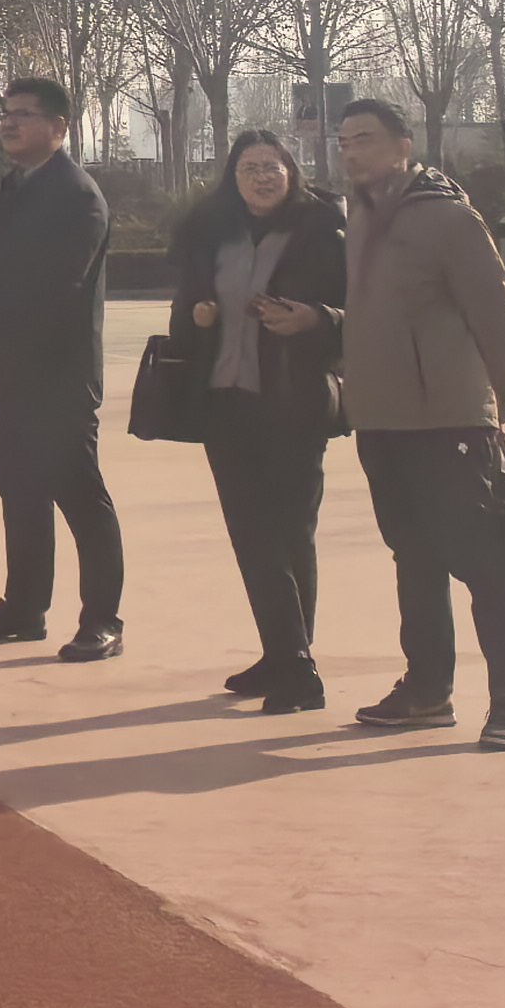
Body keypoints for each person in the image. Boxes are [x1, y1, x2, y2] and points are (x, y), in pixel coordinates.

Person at [332, 100, 505, 752]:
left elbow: (496, 317)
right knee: (413, 558)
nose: (351, 152)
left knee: (481, 562)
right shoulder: (358, 218)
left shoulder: (449, 218)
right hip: (381, 419)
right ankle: (427, 690)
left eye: (365, 139)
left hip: (449, 420)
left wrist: (493, 407)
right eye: (344, 141)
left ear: (404, 145)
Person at [169, 129, 348, 713]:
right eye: (249, 168)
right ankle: (285, 655)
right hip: (226, 400)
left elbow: (359, 310)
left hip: (294, 400)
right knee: (252, 533)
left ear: (291, 173)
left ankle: (297, 663)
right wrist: (197, 316)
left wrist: (314, 318)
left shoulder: (322, 230)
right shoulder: (211, 233)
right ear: (233, 178)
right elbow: (183, 311)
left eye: (273, 166)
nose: (263, 177)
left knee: (290, 533)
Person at [0, 76, 123, 659]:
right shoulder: (13, 188)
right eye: (5, 112)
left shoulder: (77, 196)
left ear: (59, 127)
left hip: (59, 375)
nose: (9, 122)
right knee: (19, 491)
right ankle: (23, 607)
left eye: (24, 113)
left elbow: (58, 284)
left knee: (79, 495)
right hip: (8, 368)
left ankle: (103, 620)